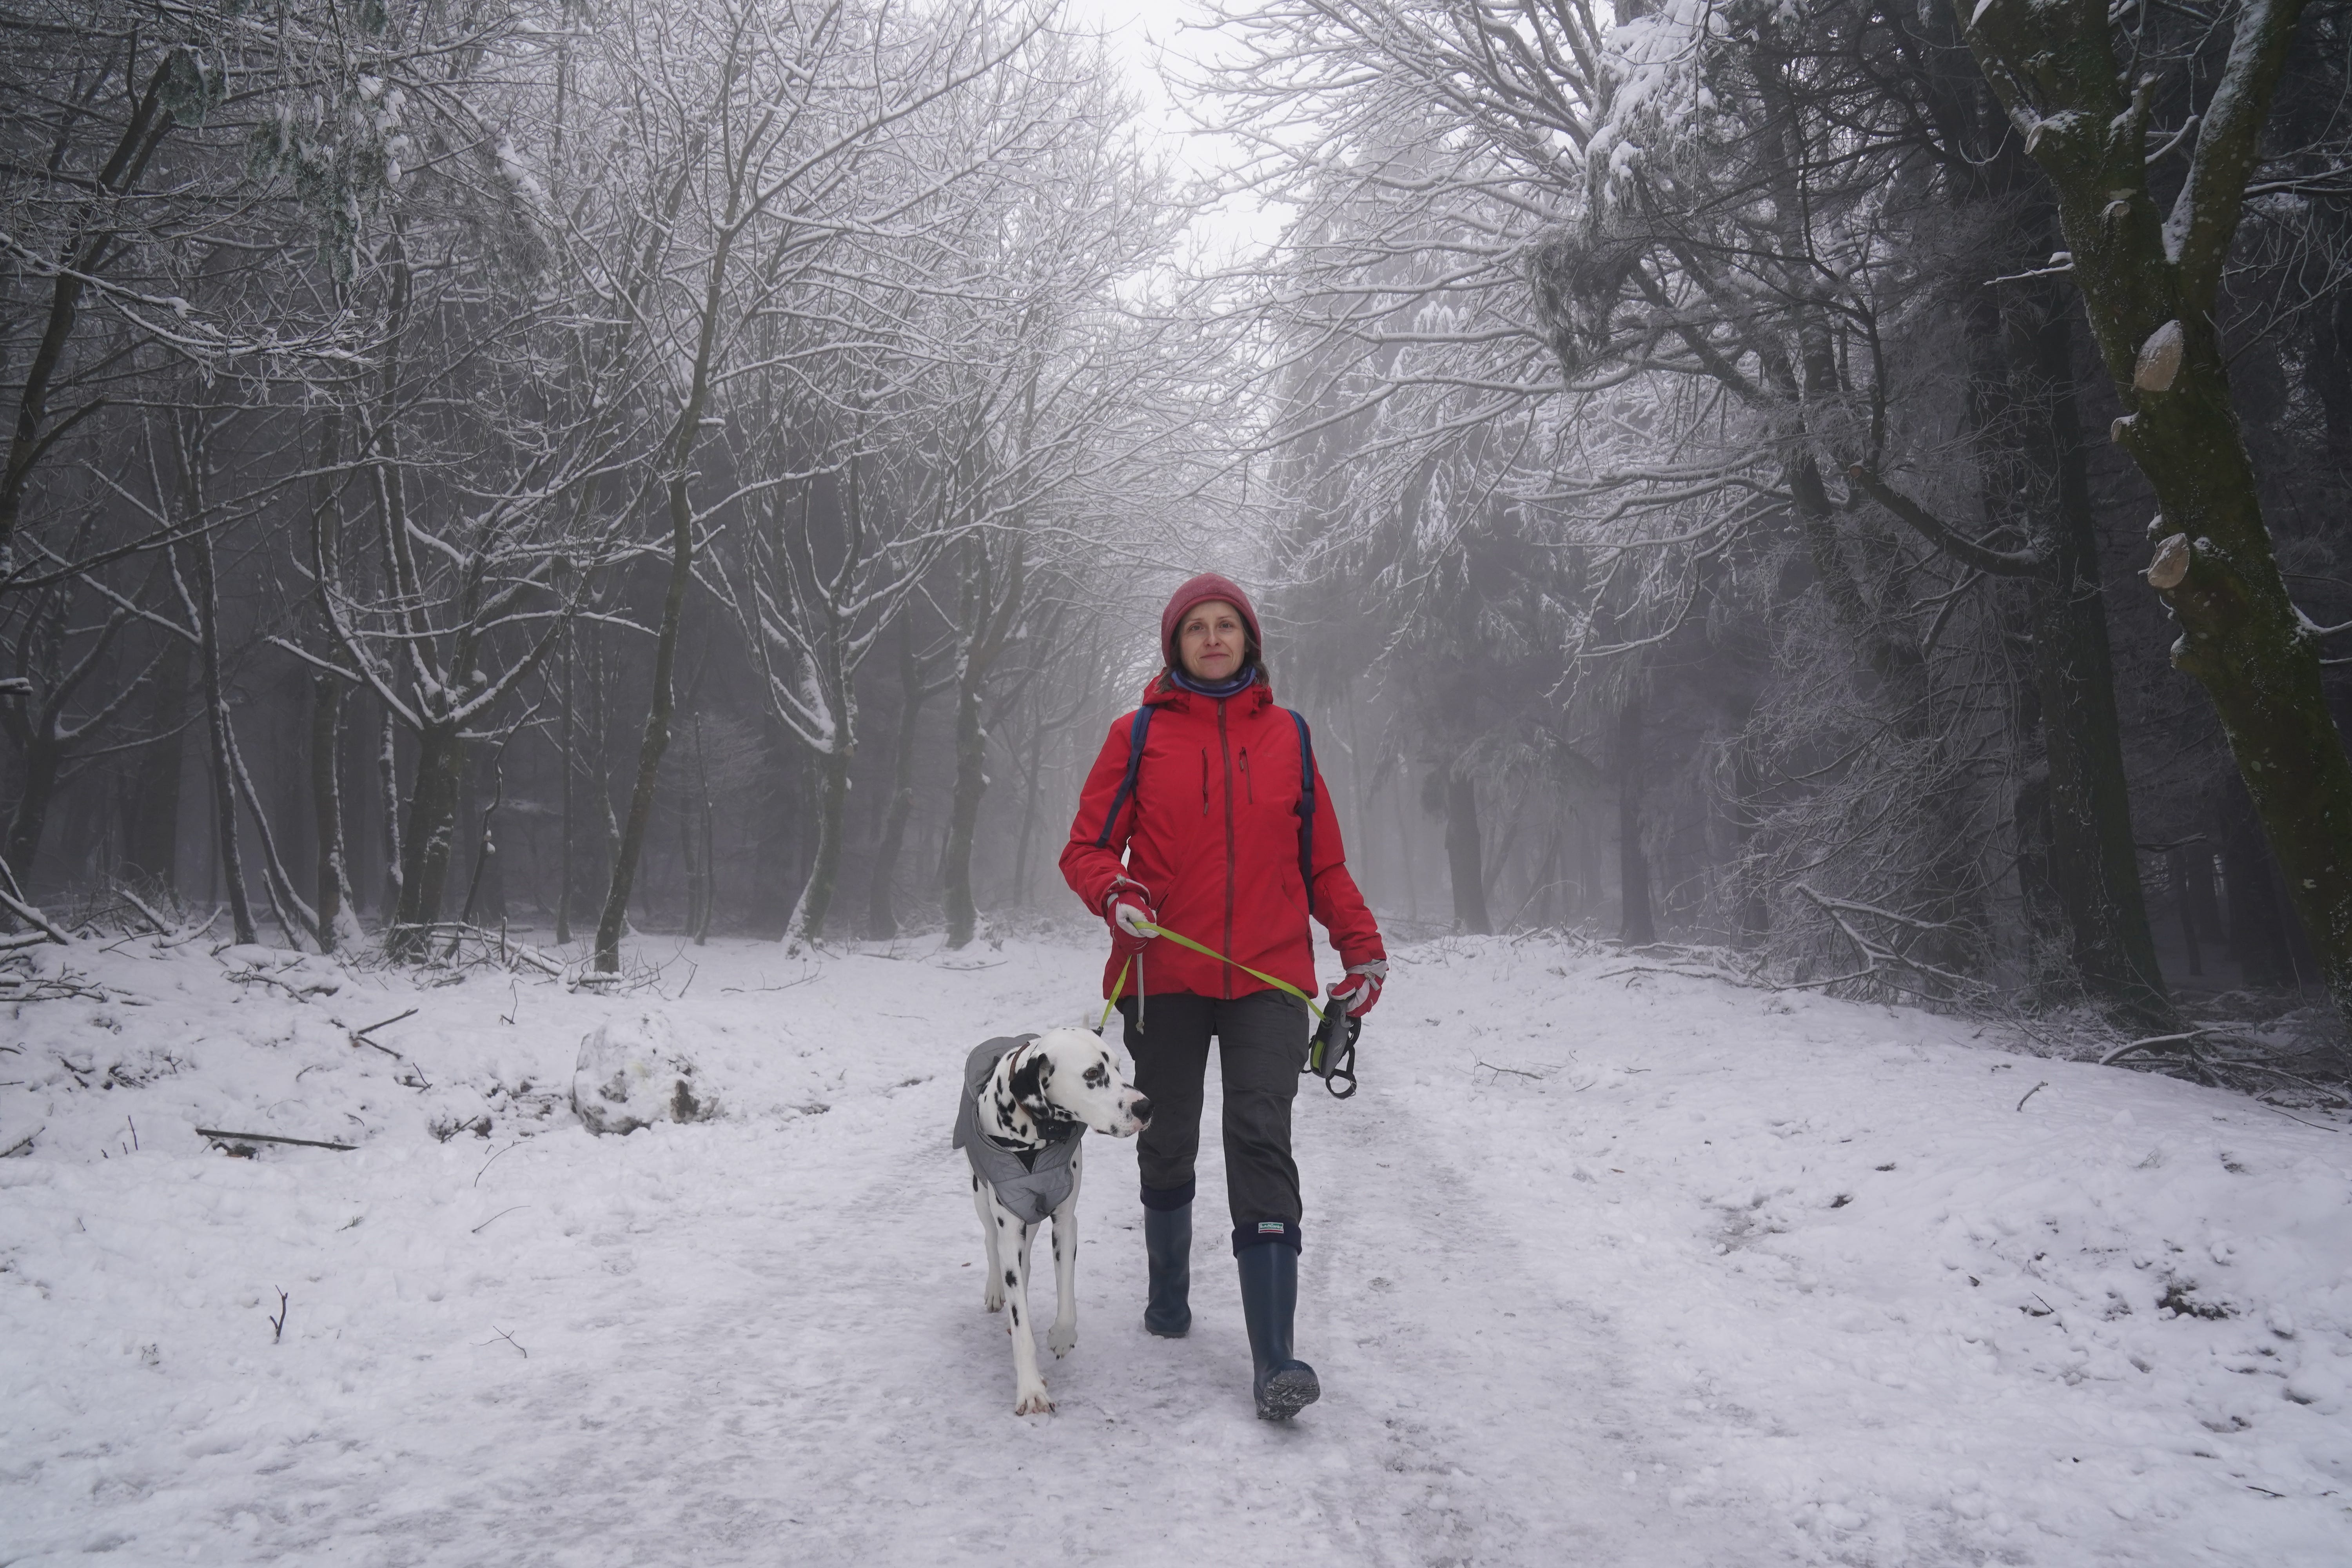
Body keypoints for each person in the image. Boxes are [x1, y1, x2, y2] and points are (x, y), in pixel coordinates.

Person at [1060, 572, 1387, 1420]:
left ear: (1250, 639)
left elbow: (1323, 862)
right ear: (1176, 645)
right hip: (1161, 972)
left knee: (1259, 1132)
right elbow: (1087, 847)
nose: (1212, 638)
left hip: (1272, 979)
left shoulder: (1290, 735)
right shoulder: (1136, 736)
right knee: (1163, 1135)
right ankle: (1168, 1296)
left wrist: (1361, 947)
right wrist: (1116, 893)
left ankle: (1274, 1355)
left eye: (1227, 625)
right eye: (1196, 627)